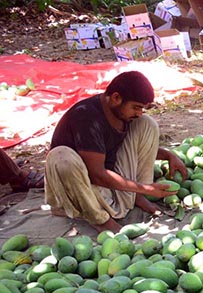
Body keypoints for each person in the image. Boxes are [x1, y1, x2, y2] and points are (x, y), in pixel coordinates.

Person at [45, 71, 186, 233]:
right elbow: (96, 174)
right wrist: (146, 188)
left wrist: (169, 156)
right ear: (116, 98)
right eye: (136, 107)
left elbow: (130, 149)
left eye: (142, 108)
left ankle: (135, 197)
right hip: (81, 189)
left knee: (146, 124)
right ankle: (100, 220)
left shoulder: (119, 113)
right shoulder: (86, 118)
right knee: (61, 156)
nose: (139, 113)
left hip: (109, 180)